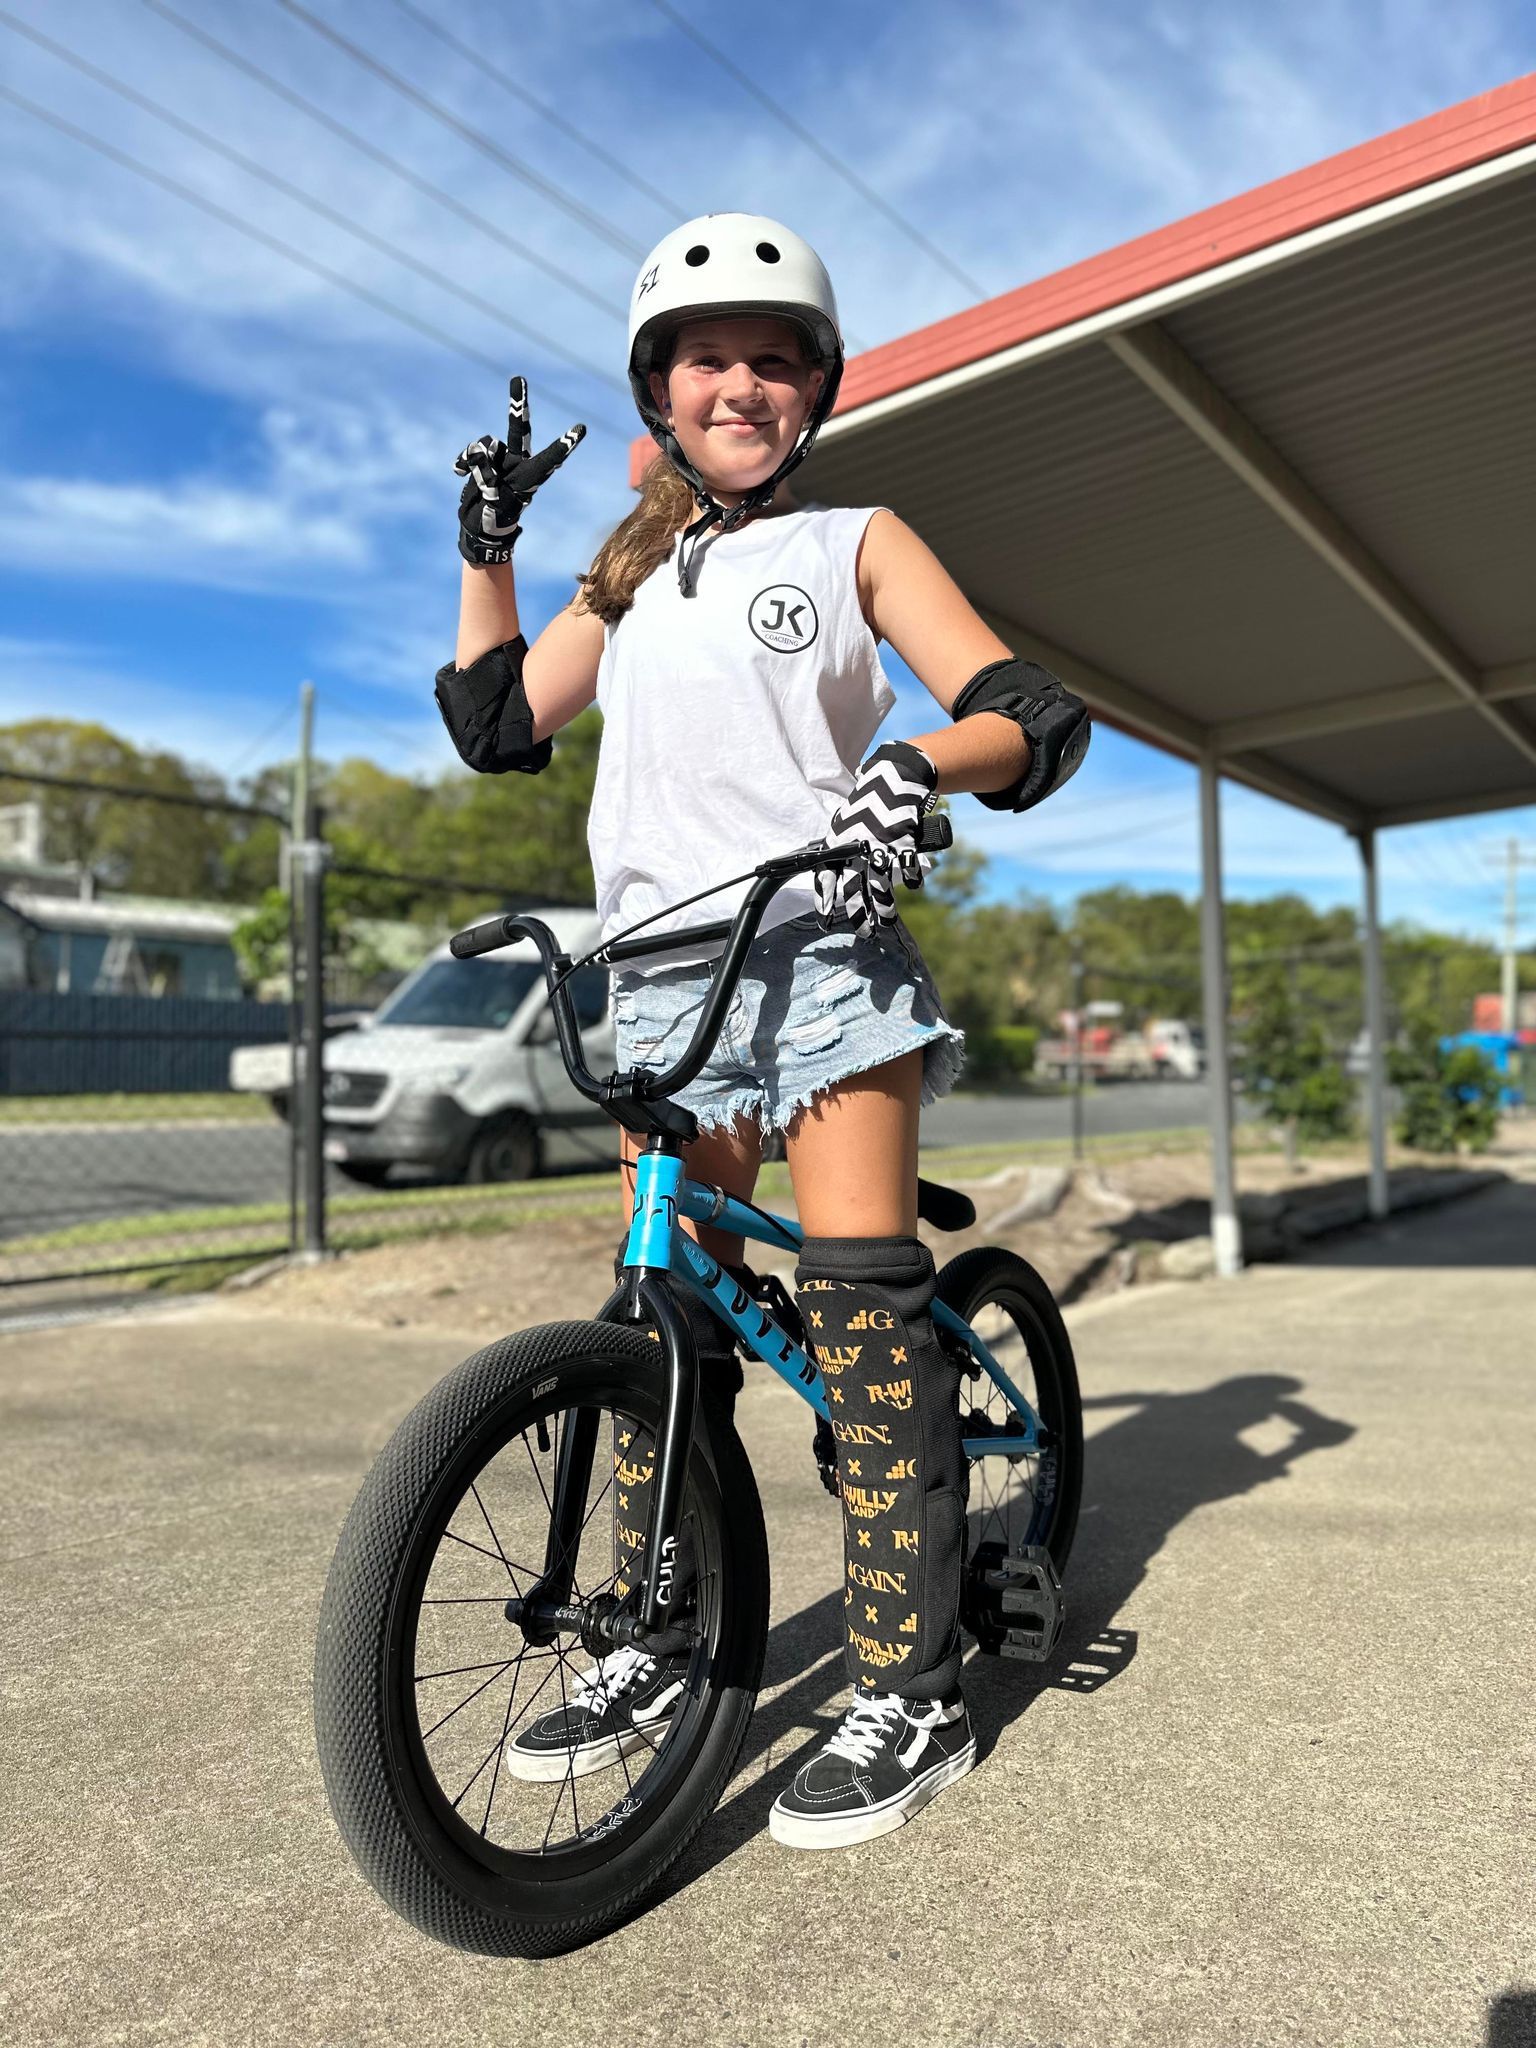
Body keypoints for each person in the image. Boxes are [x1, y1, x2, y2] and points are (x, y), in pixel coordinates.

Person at [434, 212, 1091, 1848]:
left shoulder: (855, 537)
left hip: (818, 961)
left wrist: (919, 769)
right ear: (662, 391)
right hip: (657, 977)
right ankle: (653, 1636)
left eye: (773, 359)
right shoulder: (636, 573)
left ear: (815, 387)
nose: (741, 383)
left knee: (861, 1314)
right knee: (668, 1321)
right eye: (708, 360)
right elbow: (501, 722)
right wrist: (487, 546)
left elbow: (1029, 712)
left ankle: (913, 1684)